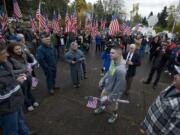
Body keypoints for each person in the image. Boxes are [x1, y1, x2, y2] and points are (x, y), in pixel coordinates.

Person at [140, 64, 180, 135]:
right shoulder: (173, 86)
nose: (175, 76)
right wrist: (145, 125)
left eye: (179, 75)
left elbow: (174, 131)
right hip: (148, 127)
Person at [0, 42, 30, 135]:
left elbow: (10, 79)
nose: (7, 54)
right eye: (3, 53)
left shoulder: (4, 63)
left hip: (16, 102)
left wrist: (17, 77)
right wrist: (18, 82)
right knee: (11, 131)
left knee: (21, 123)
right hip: (7, 109)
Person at [94, 47, 126, 124]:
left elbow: (119, 87)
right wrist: (102, 79)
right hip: (107, 87)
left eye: (112, 53)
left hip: (113, 92)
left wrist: (111, 97)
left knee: (112, 106)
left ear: (119, 54)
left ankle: (114, 115)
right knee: (102, 98)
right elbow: (109, 72)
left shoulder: (121, 70)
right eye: (110, 52)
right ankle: (102, 107)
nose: (110, 54)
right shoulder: (113, 60)